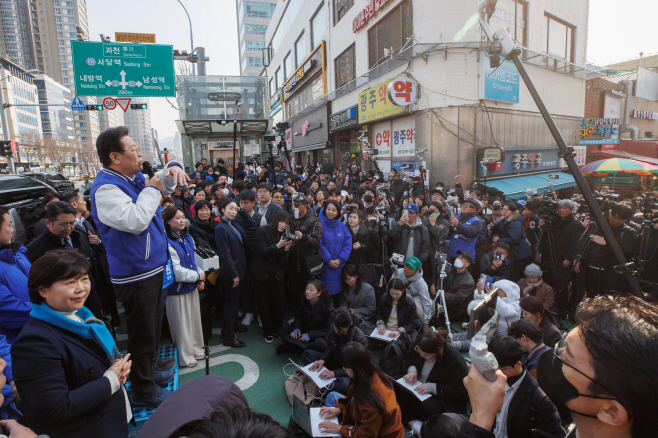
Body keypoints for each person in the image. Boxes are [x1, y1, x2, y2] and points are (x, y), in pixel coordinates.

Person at [90, 126, 186, 407]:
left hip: (153, 269)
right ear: (115, 157)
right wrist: (151, 190)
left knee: (153, 328)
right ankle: (143, 391)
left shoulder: (130, 178)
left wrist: (173, 168)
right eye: (133, 149)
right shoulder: (107, 188)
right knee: (141, 334)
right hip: (136, 274)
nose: (139, 154)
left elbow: (159, 185)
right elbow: (134, 220)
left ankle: (151, 370)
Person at [12, 250, 133, 438]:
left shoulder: (82, 317)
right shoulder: (34, 342)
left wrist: (118, 369)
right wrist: (110, 380)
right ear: (42, 290)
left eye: (84, 279)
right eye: (70, 282)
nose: (81, 288)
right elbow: (55, 409)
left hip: (110, 421)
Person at [25, 201, 104, 318]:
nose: (68, 228)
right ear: (48, 223)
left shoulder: (79, 235)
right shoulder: (35, 249)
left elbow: (91, 268)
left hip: (90, 298)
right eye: (63, 224)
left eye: (72, 223)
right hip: (65, 308)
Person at [318, 342, 404, 438]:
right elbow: (352, 399)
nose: (343, 368)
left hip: (379, 434)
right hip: (366, 421)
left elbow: (367, 435)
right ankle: (343, 424)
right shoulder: (369, 372)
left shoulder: (371, 398)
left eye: (345, 366)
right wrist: (340, 410)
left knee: (333, 436)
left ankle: (342, 426)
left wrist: (339, 429)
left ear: (355, 367)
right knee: (331, 396)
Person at [489, 336, 561, 438]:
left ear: (518, 364)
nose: (497, 372)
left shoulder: (540, 400)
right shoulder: (493, 379)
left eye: (503, 369)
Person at [397, 330, 468, 431]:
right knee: (395, 388)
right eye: (419, 352)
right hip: (417, 384)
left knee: (427, 409)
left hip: (440, 395)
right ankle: (411, 421)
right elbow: (409, 357)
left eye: (426, 355)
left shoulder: (455, 361)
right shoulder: (419, 346)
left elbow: (459, 391)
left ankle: (408, 420)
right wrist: (412, 369)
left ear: (437, 352)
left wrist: (432, 387)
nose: (421, 356)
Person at [164, 207, 205, 368]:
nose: (181, 220)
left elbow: (194, 262)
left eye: (182, 217)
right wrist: (197, 276)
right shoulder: (167, 242)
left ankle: (197, 349)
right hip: (176, 291)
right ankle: (185, 356)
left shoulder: (187, 237)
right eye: (177, 218)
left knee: (194, 321)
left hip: (191, 286)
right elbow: (176, 271)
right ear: (168, 221)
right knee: (182, 326)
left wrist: (200, 276)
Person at [214, 198, 254, 348]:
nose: (234, 211)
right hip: (232, 272)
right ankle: (228, 337)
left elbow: (251, 223)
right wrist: (234, 274)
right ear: (222, 209)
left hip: (241, 270)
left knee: (235, 303)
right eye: (231, 208)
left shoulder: (234, 223)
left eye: (235, 209)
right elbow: (225, 255)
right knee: (230, 305)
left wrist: (241, 209)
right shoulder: (221, 228)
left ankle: (233, 327)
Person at [575, 203, 637, 297]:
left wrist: (606, 243)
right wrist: (577, 257)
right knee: (590, 296)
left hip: (610, 273)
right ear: (610, 212)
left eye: (621, 219)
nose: (616, 221)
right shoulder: (598, 224)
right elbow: (583, 241)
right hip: (590, 268)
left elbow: (625, 250)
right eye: (614, 217)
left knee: (607, 299)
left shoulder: (629, 231)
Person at [252, 210, 293, 344]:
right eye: (281, 221)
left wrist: (286, 249)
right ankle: (268, 331)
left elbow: (283, 261)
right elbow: (262, 251)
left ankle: (278, 329)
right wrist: (279, 245)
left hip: (277, 274)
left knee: (279, 303)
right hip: (262, 274)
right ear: (276, 220)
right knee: (264, 304)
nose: (283, 225)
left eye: (286, 223)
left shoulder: (284, 235)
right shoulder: (262, 231)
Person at [539, 199, 585, 315]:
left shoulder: (577, 225)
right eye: (560, 208)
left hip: (563, 258)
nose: (561, 210)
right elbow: (545, 237)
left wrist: (569, 258)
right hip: (551, 256)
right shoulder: (555, 221)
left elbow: (576, 244)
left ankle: (561, 307)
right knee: (550, 281)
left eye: (564, 208)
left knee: (561, 283)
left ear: (571, 210)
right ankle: (549, 303)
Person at [306, 308, 368, 394]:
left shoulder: (359, 338)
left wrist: (335, 373)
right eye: (334, 327)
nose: (335, 330)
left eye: (338, 328)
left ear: (347, 326)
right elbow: (330, 348)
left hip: (346, 370)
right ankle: (322, 383)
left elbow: (357, 368)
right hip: (333, 362)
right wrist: (323, 359)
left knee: (345, 385)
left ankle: (320, 385)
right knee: (307, 354)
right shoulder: (335, 330)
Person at [276, 279, 334, 355]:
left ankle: (294, 348)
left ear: (319, 293)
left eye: (311, 290)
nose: (307, 292)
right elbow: (298, 316)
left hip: (316, 334)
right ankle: (301, 347)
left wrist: (310, 335)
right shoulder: (304, 299)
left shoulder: (327, 306)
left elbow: (327, 329)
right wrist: (297, 328)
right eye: (307, 288)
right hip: (303, 330)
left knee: (321, 344)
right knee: (282, 331)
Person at [0, 208, 31, 344]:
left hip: (36, 333)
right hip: (17, 343)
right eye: (8, 225)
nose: (12, 230)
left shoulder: (17, 253)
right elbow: (10, 311)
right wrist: (51, 307)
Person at [361, 278, 421, 347]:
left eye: (397, 294)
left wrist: (399, 331)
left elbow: (413, 322)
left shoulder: (410, 304)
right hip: (385, 331)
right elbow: (378, 313)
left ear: (403, 291)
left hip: (399, 332)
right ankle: (384, 343)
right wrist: (381, 325)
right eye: (392, 293)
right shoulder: (384, 298)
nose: (394, 296)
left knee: (412, 341)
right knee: (362, 326)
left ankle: (383, 344)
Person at [287, 194, 323, 307]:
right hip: (292, 261)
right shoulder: (291, 219)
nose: (295, 207)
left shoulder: (314, 221)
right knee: (294, 290)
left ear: (306, 206)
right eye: (293, 204)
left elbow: (316, 242)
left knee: (308, 292)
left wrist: (304, 237)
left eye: (297, 205)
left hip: (307, 263)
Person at [488, 202, 533, 281]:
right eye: (503, 209)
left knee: (514, 276)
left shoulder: (515, 223)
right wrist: (493, 225)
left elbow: (514, 239)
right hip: (516, 253)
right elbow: (500, 224)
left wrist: (498, 240)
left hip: (520, 254)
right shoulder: (508, 219)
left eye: (507, 210)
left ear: (512, 212)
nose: (504, 211)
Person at [319, 200, 353, 302]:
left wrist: (339, 260)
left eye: (334, 210)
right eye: (328, 209)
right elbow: (319, 245)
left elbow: (348, 245)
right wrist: (329, 260)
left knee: (338, 296)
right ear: (325, 210)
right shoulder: (319, 225)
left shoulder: (343, 226)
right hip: (325, 266)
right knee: (325, 295)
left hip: (339, 266)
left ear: (338, 212)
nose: (331, 212)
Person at [393, 257, 432, 332]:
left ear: (417, 270)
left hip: (414, 301)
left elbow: (426, 302)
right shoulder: (397, 272)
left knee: (420, 320)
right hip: (397, 297)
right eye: (406, 266)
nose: (407, 269)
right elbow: (389, 289)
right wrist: (393, 283)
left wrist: (426, 323)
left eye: (411, 268)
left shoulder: (421, 283)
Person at [442, 251, 476, 322]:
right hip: (445, 303)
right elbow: (444, 283)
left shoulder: (469, 282)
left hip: (455, 311)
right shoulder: (452, 271)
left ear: (467, 264)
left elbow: (457, 298)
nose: (458, 259)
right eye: (458, 257)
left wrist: (440, 294)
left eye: (462, 258)